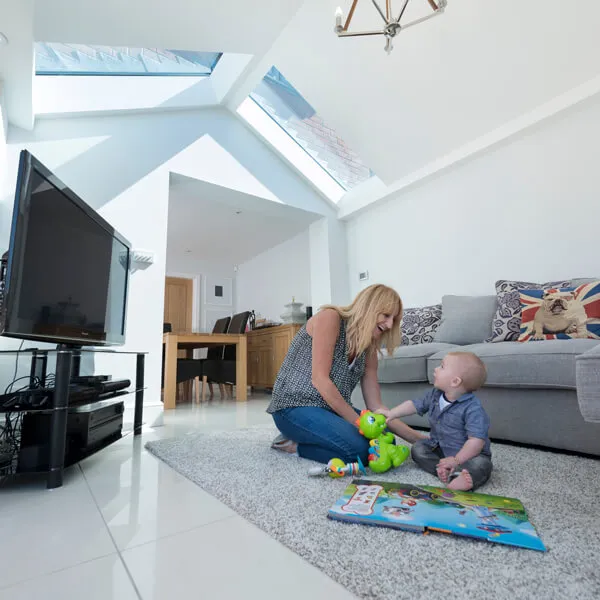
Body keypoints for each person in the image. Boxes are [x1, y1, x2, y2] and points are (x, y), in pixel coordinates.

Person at [267, 284, 425, 464]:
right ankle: (294, 445)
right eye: (386, 316)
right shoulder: (330, 318)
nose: (389, 325)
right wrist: (360, 424)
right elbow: (320, 380)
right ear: (370, 307)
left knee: (387, 439)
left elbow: (376, 407)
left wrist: (419, 440)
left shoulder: (369, 348)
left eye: (394, 320)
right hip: (293, 406)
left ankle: (315, 435)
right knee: (361, 451)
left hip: (329, 410)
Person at [378, 351, 492, 491]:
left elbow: (476, 442)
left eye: (442, 367)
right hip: (441, 448)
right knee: (418, 449)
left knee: (482, 465)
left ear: (455, 381)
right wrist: (391, 413)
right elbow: (414, 404)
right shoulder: (435, 395)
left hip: (470, 455)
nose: (436, 369)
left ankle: (463, 475)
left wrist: (456, 460)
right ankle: (445, 470)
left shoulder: (473, 409)